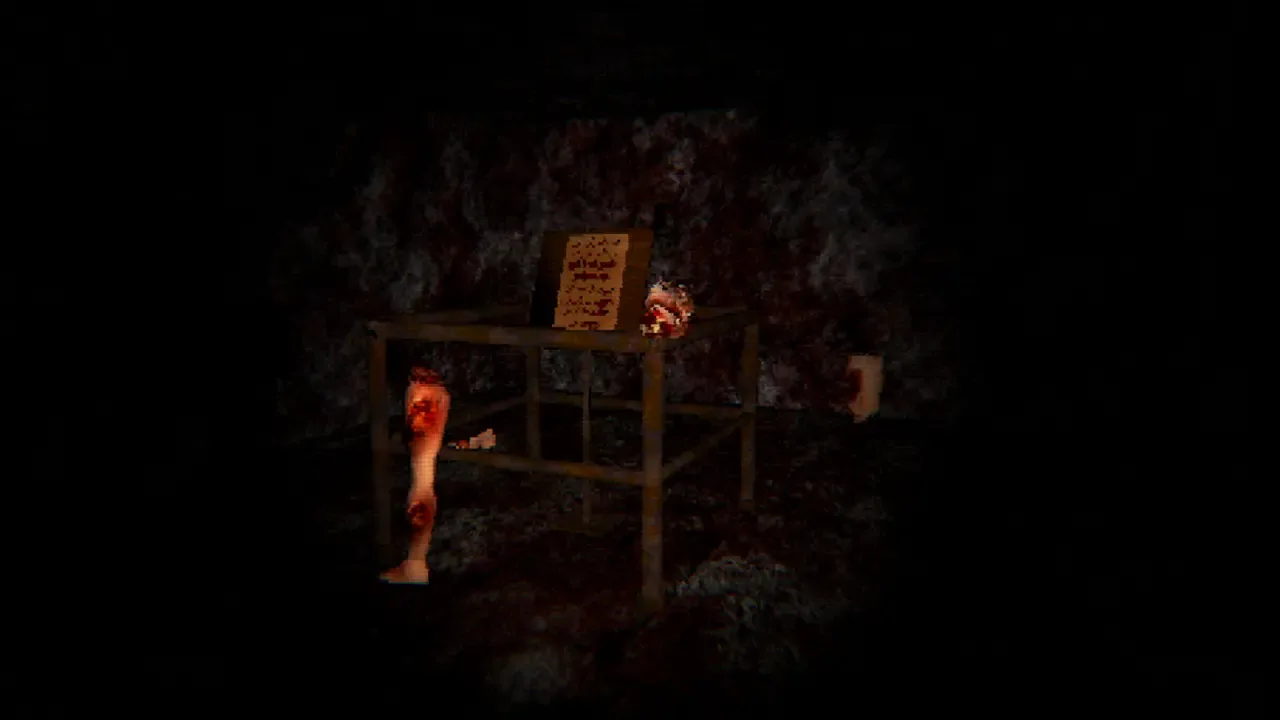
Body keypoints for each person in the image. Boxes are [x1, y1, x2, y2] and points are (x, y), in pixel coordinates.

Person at [380, 367, 451, 584]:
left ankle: (416, 564)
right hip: (429, 380)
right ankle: (416, 562)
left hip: (427, 381)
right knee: (422, 476)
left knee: (422, 479)